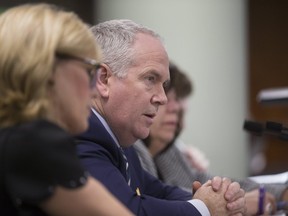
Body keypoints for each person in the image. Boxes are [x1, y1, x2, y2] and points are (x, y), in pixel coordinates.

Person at [76, 19, 246, 216]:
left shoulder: (118, 138)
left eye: (163, 84)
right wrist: (204, 208)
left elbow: (158, 192)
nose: (162, 98)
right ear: (103, 79)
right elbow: (129, 210)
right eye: (150, 79)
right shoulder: (81, 134)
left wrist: (221, 198)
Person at [0, 4, 134, 216]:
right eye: (90, 70)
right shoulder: (34, 141)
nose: (94, 90)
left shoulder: (13, 137)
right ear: (48, 67)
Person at [134, 62, 288, 215]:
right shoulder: (132, 148)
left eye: (177, 99)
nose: (174, 108)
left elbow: (205, 181)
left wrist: (281, 192)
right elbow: (155, 204)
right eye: (167, 96)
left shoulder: (169, 151)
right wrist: (234, 203)